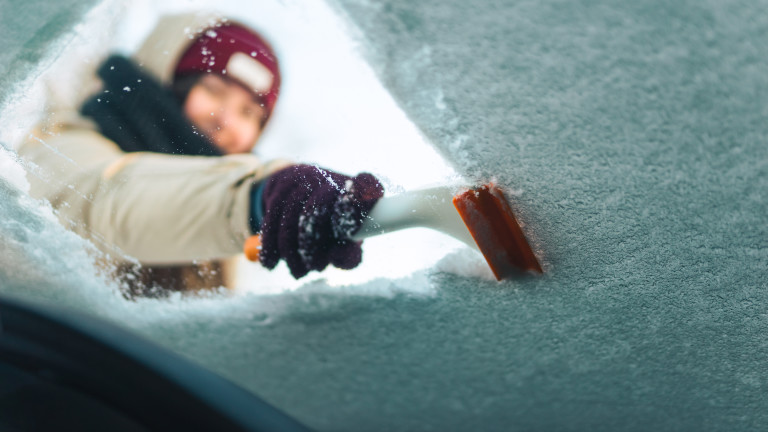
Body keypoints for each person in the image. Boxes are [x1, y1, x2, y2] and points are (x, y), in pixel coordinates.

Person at [17, 13, 384, 296]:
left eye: (249, 113)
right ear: (168, 82)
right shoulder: (61, 144)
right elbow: (107, 203)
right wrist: (257, 198)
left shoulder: (236, 242)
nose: (226, 120)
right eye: (213, 90)